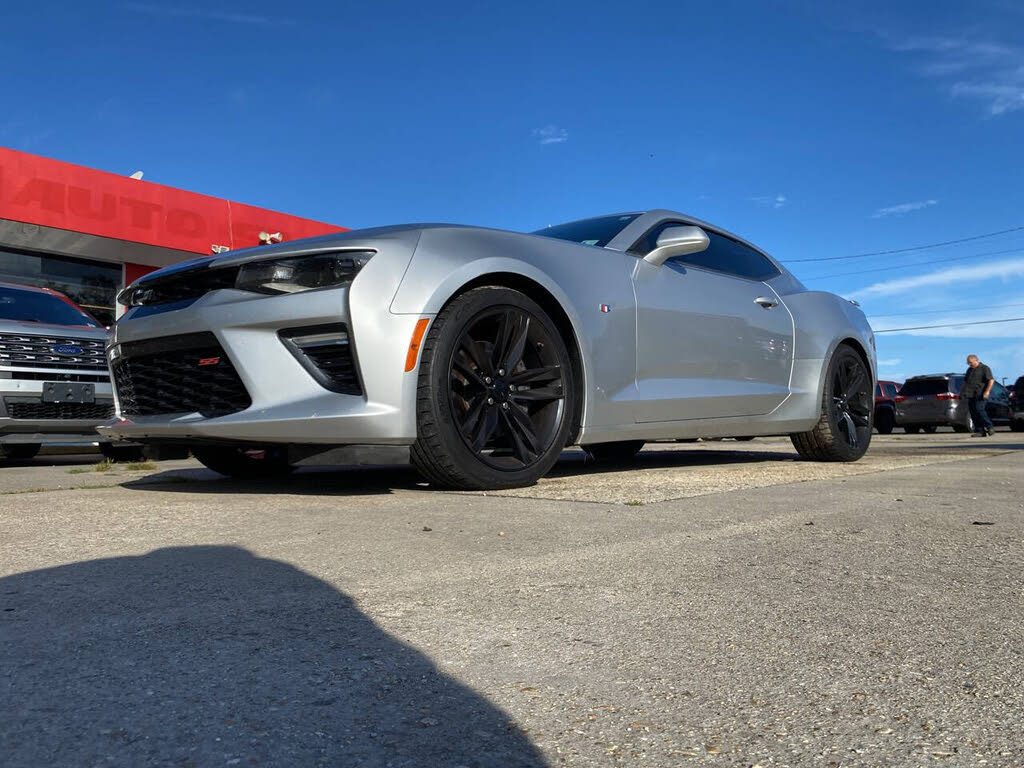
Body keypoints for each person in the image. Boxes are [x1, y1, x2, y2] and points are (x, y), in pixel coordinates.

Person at [961, 354, 995, 437]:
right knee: (973, 412)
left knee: (980, 410)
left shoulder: (984, 368)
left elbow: (991, 380)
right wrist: (961, 392)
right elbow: (965, 382)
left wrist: (987, 392)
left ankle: (989, 427)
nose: (969, 364)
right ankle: (980, 431)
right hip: (970, 394)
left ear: (976, 360)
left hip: (981, 394)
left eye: (970, 362)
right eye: (968, 363)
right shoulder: (969, 370)